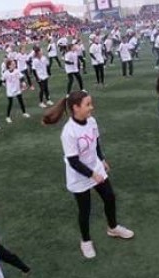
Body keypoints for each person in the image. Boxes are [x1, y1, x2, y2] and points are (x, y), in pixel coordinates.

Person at [43, 91, 134, 259]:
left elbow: (96, 143)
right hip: (79, 176)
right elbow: (73, 162)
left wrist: (102, 159)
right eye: (88, 104)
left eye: (91, 103)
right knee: (85, 210)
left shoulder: (91, 121)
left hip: (95, 169)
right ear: (76, 108)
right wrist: (92, 175)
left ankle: (113, 228)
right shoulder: (68, 132)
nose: (91, 107)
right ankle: (85, 241)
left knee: (110, 197)